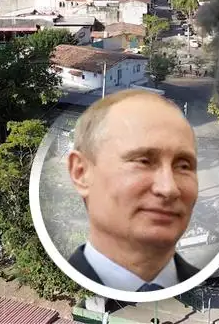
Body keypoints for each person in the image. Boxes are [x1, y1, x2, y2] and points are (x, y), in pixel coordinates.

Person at [66, 89, 201, 292]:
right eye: (143, 161)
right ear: (81, 172)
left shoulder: (199, 283)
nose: (169, 188)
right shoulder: (73, 283)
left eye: (183, 165)